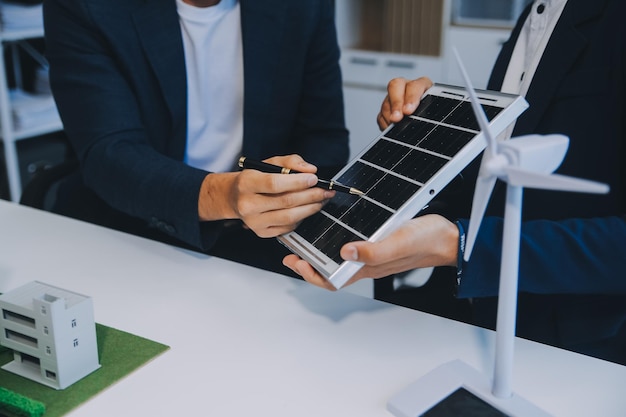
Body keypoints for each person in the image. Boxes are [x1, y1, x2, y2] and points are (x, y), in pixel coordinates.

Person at [284, 0, 626, 364]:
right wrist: (432, 135)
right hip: (475, 324)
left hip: (573, 352)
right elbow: (502, 173)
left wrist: (461, 247)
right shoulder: (539, 12)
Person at [43, 0, 349, 275]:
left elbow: (324, 137)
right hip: (127, 230)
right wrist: (226, 196)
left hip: (260, 241)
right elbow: (110, 152)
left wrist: (289, 198)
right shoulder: (86, 7)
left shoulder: (304, 6)